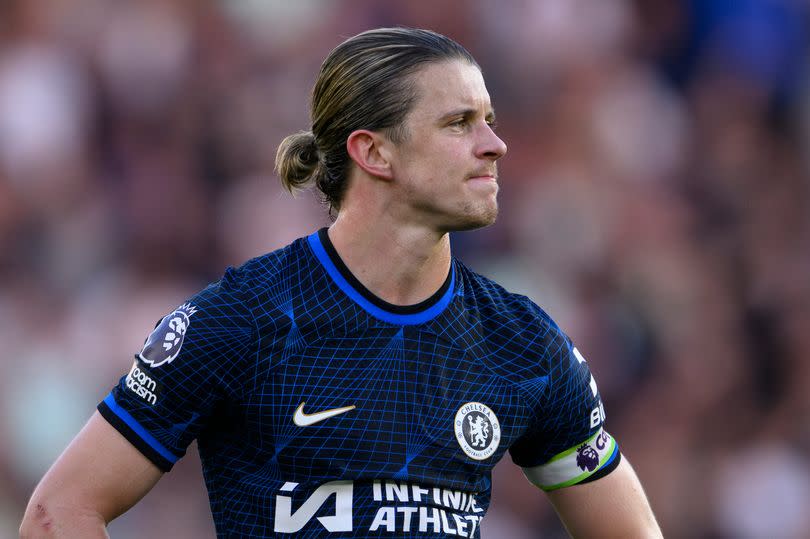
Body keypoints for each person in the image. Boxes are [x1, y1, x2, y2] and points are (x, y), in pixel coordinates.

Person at [20, 27, 662, 538]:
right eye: (459, 123)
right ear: (374, 152)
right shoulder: (243, 320)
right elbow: (58, 514)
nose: (494, 144)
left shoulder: (523, 345)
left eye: (489, 119)